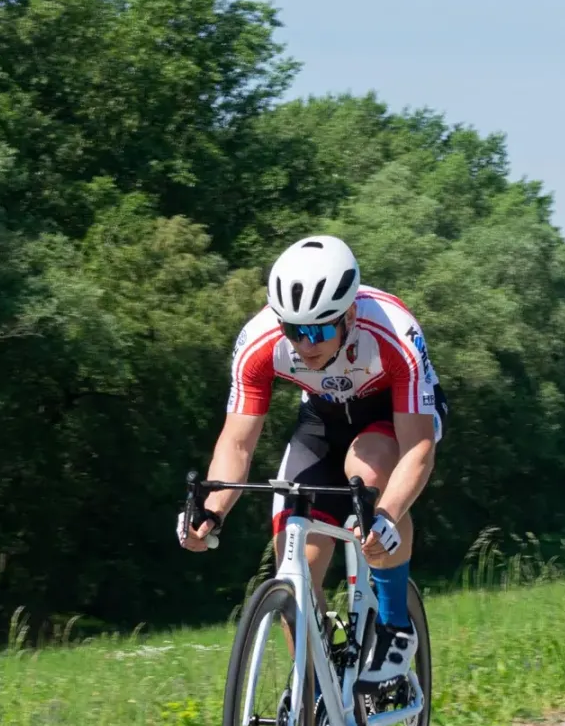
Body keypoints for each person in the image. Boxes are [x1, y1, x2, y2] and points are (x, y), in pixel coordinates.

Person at [177, 235, 446, 687]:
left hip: (391, 413)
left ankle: (395, 625)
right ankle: (315, 695)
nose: (305, 344)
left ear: (350, 316)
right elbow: (237, 443)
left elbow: (419, 448)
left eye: (319, 331)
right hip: (322, 419)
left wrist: (385, 517)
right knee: (295, 564)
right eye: (294, 330)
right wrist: (211, 510)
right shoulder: (259, 341)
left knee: (370, 472)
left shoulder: (394, 332)